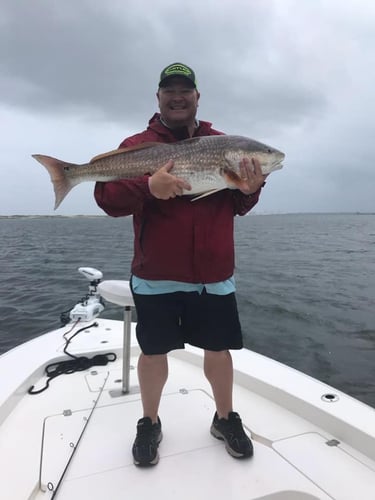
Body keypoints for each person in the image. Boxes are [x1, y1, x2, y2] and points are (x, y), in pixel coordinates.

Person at [94, 62, 267, 467]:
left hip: (214, 273)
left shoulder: (224, 145)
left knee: (218, 349)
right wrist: (148, 187)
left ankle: (224, 418)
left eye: (185, 90)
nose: (177, 96)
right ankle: (149, 422)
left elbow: (239, 205)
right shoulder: (137, 144)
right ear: (158, 98)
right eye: (169, 89)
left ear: (196, 97)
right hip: (156, 274)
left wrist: (251, 188)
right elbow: (106, 199)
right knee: (153, 352)